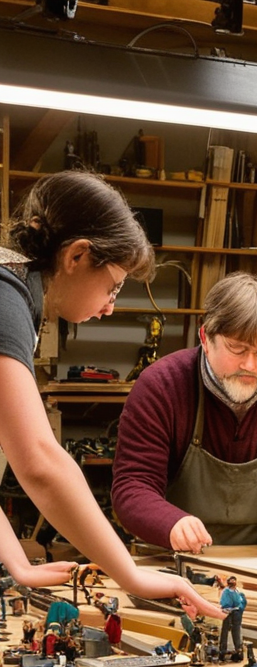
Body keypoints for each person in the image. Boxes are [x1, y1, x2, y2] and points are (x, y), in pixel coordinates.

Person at [0, 171, 218, 617]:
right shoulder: (5, 301)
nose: (110, 306)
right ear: (77, 255)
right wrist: (131, 575)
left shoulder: (12, 291)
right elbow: (40, 462)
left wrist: (18, 563)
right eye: (113, 285)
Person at [112, 272, 257, 551]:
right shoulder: (161, 387)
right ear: (205, 337)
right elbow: (131, 487)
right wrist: (171, 523)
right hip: (174, 555)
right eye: (237, 348)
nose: (250, 364)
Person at [219, 576, 246, 661]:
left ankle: (238, 651)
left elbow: (242, 602)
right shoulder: (226, 592)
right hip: (227, 613)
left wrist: (239, 608)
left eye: (234, 580)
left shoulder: (238, 592)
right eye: (231, 580)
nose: (233, 582)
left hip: (236, 613)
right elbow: (224, 602)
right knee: (225, 632)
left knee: (236, 632)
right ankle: (223, 651)